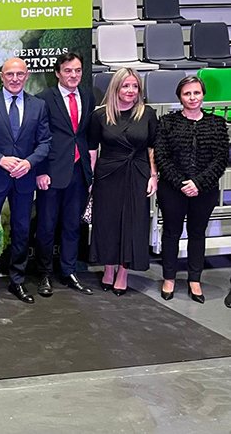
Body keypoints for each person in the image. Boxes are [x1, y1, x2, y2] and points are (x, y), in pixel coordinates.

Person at [0, 58, 51, 307]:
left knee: (21, 232)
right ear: (1, 76)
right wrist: (0, 159)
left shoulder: (38, 106)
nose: (15, 78)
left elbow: (45, 142)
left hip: (24, 180)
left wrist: (29, 163)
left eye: (19, 74)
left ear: (26, 76)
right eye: (10, 74)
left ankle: (17, 279)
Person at [154, 75, 228, 303]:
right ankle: (169, 278)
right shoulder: (167, 122)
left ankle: (194, 280)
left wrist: (198, 183)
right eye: (187, 93)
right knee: (171, 233)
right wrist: (181, 183)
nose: (192, 97)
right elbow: (162, 157)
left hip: (204, 191)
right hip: (172, 189)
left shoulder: (216, 124)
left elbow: (220, 159)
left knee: (197, 233)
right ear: (180, 96)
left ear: (203, 95)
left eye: (196, 93)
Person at [88, 67, 158, 295]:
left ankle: (123, 271)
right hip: (107, 174)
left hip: (137, 173)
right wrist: (90, 179)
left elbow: (152, 148)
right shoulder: (99, 116)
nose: (130, 90)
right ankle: (108, 268)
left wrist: (153, 176)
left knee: (133, 223)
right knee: (107, 223)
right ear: (116, 88)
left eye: (134, 86)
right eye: (125, 85)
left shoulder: (147, 113)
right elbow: (92, 149)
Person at [34, 52, 96, 297]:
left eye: (78, 70)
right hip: (51, 172)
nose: (73, 75)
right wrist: (40, 171)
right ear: (58, 73)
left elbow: (86, 136)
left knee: (72, 226)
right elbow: (37, 138)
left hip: (79, 172)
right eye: (68, 71)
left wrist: (90, 173)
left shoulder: (88, 96)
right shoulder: (43, 99)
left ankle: (69, 271)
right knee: (47, 227)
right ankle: (44, 274)